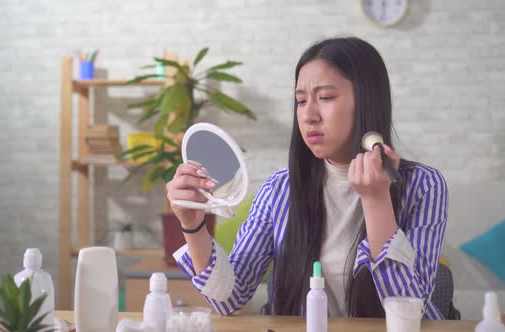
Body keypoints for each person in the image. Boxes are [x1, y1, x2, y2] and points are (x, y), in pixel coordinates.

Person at [165, 36, 448, 319]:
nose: (308, 115)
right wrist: (193, 227)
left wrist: (376, 201)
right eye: (301, 101)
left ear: (367, 101)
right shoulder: (279, 189)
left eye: (325, 98)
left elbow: (413, 312)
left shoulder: (423, 186)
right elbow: (230, 299)